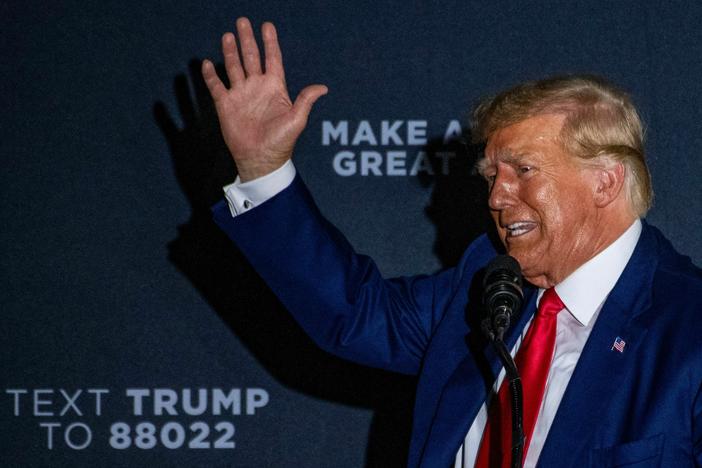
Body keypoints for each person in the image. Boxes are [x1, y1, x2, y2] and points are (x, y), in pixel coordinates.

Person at [202, 17, 702, 467]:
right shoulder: (486, 279)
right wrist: (263, 170)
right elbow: (355, 314)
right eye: (492, 176)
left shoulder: (688, 327)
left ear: (605, 182)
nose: (498, 197)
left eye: (523, 171)